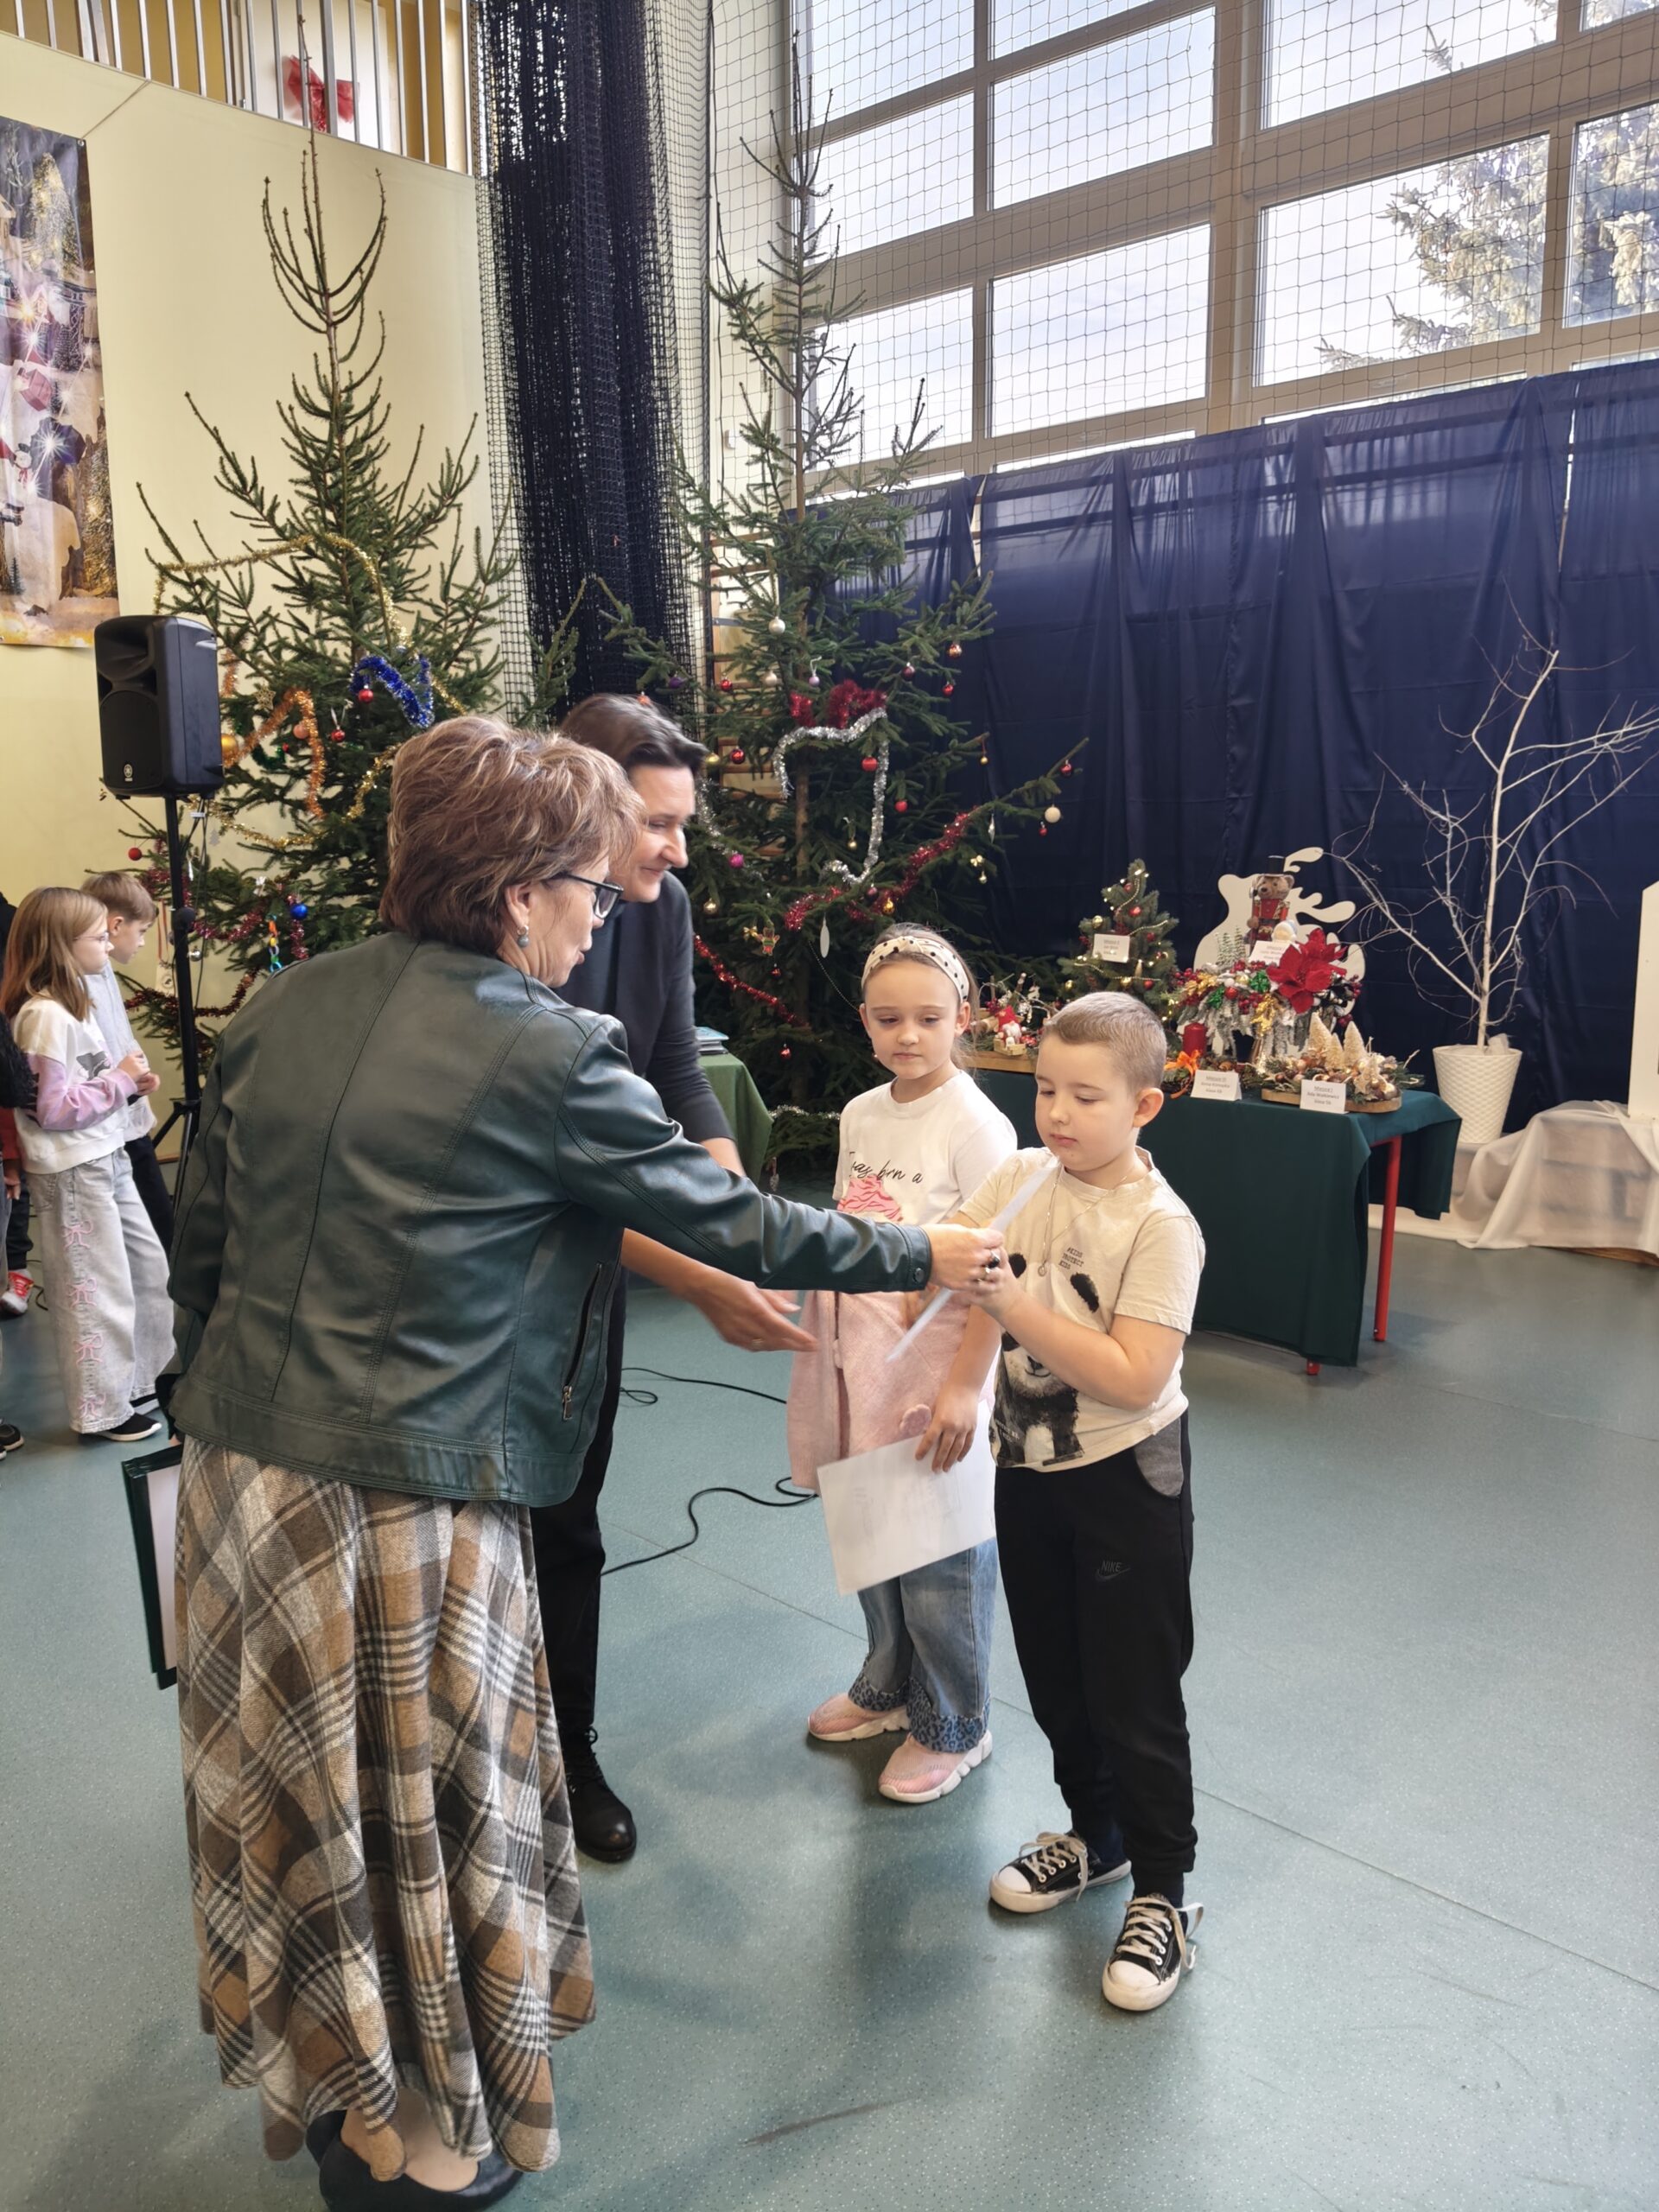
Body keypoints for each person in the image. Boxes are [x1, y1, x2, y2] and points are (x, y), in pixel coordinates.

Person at [162, 716, 1004, 2206]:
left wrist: (212, 1405)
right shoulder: (544, 1047)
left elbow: (204, 1249)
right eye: (590, 890)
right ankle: (426, 2140)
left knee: (309, 1810)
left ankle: (348, 2091)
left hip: (239, 1490)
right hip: (406, 1503)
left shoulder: (284, 1003)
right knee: (426, 1819)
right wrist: (920, 1250)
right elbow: (737, 1221)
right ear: (516, 894)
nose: (605, 914)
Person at [539, 691, 815, 1863]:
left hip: (586, 1303)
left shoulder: (662, 910)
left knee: (570, 1527)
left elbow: (676, 1075)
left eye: (682, 824)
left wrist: (736, 1219)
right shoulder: (519, 929)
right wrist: (705, 1275)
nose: (678, 850)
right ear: (581, 812)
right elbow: (557, 1175)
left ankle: (568, 1752)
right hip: (507, 1289)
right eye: (657, 824)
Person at [943, 991, 1207, 2013]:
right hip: (1028, 1468)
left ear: (1144, 1106)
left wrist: (1010, 1298)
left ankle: (1162, 1890)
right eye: (1046, 1088)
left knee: (1133, 1690)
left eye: (1085, 1097)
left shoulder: (1161, 1226)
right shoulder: (1022, 1178)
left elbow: (1135, 1378)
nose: (1057, 1112)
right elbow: (958, 1257)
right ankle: (1095, 1836)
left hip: (1127, 1478)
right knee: (1056, 1675)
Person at [786, 925, 1017, 1802]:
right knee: (870, 1526)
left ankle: (956, 1718)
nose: (908, 1035)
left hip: (936, 1365)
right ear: (865, 1022)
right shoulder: (860, 1113)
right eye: (888, 1019)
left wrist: (965, 1387)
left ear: (964, 1018)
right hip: (862, 1357)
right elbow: (852, 1223)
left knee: (938, 1552)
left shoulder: (977, 1124)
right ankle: (888, 1680)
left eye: (928, 1017)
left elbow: (999, 1267)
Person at [0, 887, 168, 1444]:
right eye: (98, 937)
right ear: (62, 945)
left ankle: (137, 1383)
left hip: (106, 1153)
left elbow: (86, 1082)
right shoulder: (43, 1016)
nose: (109, 945)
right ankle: (102, 1410)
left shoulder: (73, 1004)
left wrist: (127, 1086)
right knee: (95, 1290)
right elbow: (50, 1109)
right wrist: (119, 1082)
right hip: (74, 1170)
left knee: (147, 1270)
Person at [80, 869, 174, 1248]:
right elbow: (91, 1050)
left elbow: (118, 1032)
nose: (142, 942)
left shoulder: (101, 968)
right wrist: (124, 1079)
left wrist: (138, 1074)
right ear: (117, 925)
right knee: (152, 1223)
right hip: (110, 1116)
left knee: (153, 1218)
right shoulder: (83, 974)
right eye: (143, 931)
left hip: (126, 1103)